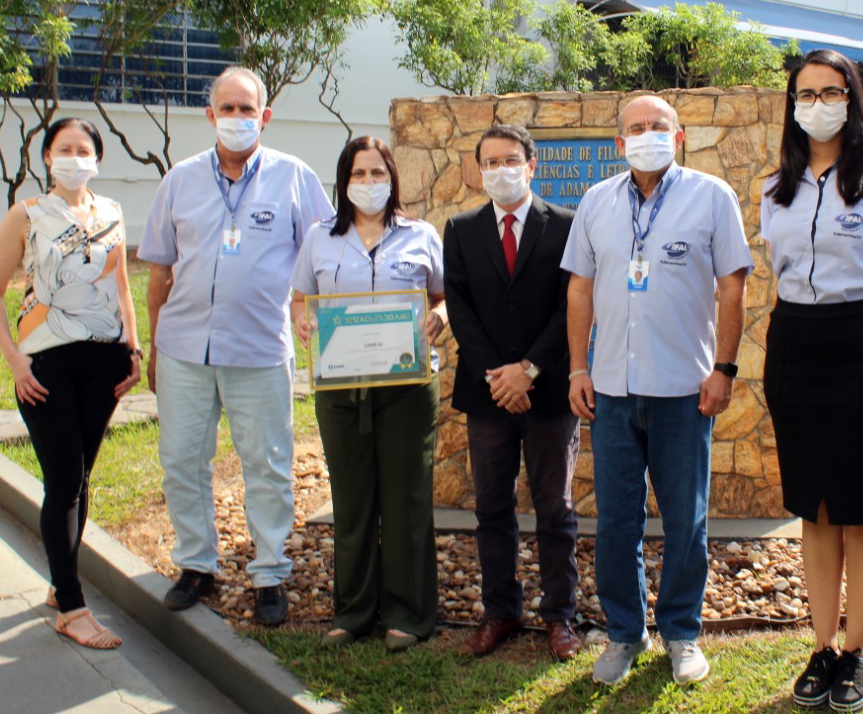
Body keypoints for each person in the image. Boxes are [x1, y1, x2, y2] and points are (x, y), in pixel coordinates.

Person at [561, 95, 753, 686]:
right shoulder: (595, 202)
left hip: (683, 391)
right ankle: (624, 634)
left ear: (680, 135)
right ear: (619, 144)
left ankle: (682, 633)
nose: (647, 135)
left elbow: (732, 287)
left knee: (685, 519)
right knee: (616, 520)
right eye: (636, 128)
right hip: (613, 390)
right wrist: (577, 368)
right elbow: (579, 293)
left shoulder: (712, 198)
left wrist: (723, 368)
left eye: (657, 126)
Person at [138, 66, 333, 626]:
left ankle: (269, 571)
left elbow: (323, 256)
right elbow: (158, 274)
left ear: (265, 117)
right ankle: (197, 565)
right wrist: (155, 346)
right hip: (183, 350)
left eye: (248, 109)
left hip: (258, 350)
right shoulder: (178, 180)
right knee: (181, 461)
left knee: (267, 463)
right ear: (210, 115)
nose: (237, 119)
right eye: (227, 108)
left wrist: (310, 313)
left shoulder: (295, 178)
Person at [759, 49, 863, 712]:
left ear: (852, 101)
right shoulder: (775, 189)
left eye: (832, 91)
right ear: (792, 105)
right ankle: (821, 644)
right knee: (816, 507)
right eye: (806, 93)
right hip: (795, 345)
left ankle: (856, 648)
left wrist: (860, 334)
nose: (818, 103)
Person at [0, 117, 142, 649]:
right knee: (64, 479)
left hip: (103, 362)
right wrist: (14, 361)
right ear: (47, 156)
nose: (75, 156)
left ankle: (60, 584)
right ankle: (73, 610)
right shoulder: (26, 215)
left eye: (84, 149)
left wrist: (133, 349)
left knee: (80, 477)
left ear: (97, 157)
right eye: (64, 148)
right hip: (44, 364)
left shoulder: (111, 213)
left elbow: (120, 284)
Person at [289, 136, 446, 651]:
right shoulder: (319, 238)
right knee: (352, 500)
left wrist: (439, 318)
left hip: (406, 387)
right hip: (341, 390)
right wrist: (304, 325)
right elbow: (298, 300)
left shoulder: (421, 234)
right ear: (343, 181)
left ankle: (409, 615)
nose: (369, 184)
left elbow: (443, 298)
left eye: (378, 174)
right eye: (359, 174)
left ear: (393, 179)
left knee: (406, 498)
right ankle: (353, 612)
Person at [443, 125, 581, 662]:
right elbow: (460, 308)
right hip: (487, 395)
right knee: (491, 507)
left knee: (555, 507)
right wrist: (499, 376)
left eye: (510, 160)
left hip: (547, 394)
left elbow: (571, 304)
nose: (499, 170)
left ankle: (560, 617)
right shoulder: (460, 228)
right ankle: (501, 611)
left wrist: (529, 369)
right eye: (489, 162)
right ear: (480, 170)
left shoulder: (567, 226)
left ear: (532, 163)